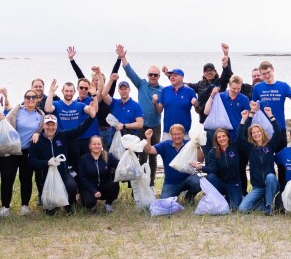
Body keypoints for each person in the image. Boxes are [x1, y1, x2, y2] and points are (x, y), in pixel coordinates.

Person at [28, 110, 96, 215]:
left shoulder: (63, 135)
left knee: (72, 186)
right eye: (48, 125)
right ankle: (52, 206)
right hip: (45, 177)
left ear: (56, 125)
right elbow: (32, 162)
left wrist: (91, 117)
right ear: (43, 126)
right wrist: (47, 163)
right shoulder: (37, 140)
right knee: (50, 213)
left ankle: (68, 205)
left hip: (63, 173)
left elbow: (80, 130)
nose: (50, 128)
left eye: (53, 125)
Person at [117, 44, 164, 186]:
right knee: (142, 156)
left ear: (159, 76)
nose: (153, 77)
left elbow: (159, 111)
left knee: (153, 156)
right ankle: (140, 183)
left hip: (155, 127)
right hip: (142, 127)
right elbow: (130, 73)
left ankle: (150, 183)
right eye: (151, 74)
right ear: (148, 75)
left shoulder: (163, 90)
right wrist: (123, 57)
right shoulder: (142, 85)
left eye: (156, 75)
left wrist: (156, 102)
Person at [0, 88, 45, 216]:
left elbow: (41, 130)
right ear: (24, 99)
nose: (30, 99)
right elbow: (6, 122)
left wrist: (37, 133)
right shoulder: (17, 110)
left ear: (37, 100)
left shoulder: (40, 115)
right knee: (7, 178)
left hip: (28, 151)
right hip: (12, 150)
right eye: (27, 97)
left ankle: (25, 206)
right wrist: (2, 118)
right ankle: (5, 207)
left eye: (33, 97)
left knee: (26, 178)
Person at [203, 77, 251, 193]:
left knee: (240, 166)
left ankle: (242, 192)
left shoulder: (244, 99)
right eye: (234, 88)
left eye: (238, 88)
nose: (236, 91)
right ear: (229, 85)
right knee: (221, 166)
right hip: (222, 138)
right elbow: (206, 112)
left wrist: (249, 114)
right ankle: (220, 192)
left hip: (238, 137)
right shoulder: (221, 96)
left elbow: (249, 118)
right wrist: (212, 95)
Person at [235, 103, 284, 214]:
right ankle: (264, 204)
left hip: (270, 185)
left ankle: (269, 205)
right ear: (251, 135)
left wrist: (270, 115)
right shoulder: (249, 148)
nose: (256, 134)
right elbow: (239, 137)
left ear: (262, 133)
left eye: (258, 132)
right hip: (258, 187)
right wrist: (246, 118)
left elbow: (278, 132)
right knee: (242, 209)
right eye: (253, 133)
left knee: (271, 176)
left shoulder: (270, 146)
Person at [67, 47, 121, 145]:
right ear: (92, 81)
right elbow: (80, 76)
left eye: (101, 79)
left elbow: (114, 73)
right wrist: (72, 60)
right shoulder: (88, 93)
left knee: (104, 155)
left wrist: (119, 58)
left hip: (106, 130)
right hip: (91, 130)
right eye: (96, 79)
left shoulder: (107, 93)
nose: (99, 81)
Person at [142, 124, 202, 203]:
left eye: (179, 134)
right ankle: (174, 195)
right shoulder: (165, 145)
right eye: (174, 134)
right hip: (171, 183)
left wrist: (198, 147)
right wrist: (148, 138)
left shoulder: (190, 144)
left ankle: (189, 197)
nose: (177, 136)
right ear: (171, 135)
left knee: (198, 181)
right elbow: (148, 150)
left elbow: (200, 160)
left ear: (184, 134)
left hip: (188, 179)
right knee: (165, 202)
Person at [250, 60, 291, 148]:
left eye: (268, 72)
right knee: (265, 159)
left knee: (281, 159)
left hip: (280, 127)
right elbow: (254, 107)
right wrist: (254, 106)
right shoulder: (257, 87)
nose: (266, 76)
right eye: (263, 74)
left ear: (273, 70)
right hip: (263, 129)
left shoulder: (283, 86)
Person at [191, 128, 243, 209]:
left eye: (224, 136)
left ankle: (227, 198)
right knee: (210, 176)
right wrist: (201, 167)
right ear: (216, 140)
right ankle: (215, 198)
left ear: (228, 137)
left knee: (234, 207)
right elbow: (213, 170)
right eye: (219, 137)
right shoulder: (213, 152)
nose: (222, 139)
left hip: (233, 184)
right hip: (221, 183)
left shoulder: (235, 147)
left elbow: (240, 135)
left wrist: (243, 120)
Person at [75, 136, 121, 212]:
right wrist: (94, 191)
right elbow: (82, 177)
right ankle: (92, 204)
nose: (96, 146)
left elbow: (120, 165)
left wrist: (128, 156)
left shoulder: (108, 156)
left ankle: (108, 204)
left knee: (115, 184)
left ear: (102, 145)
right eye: (94, 144)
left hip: (104, 187)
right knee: (88, 202)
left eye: (99, 144)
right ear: (90, 146)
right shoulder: (84, 159)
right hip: (89, 188)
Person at [153, 68, 197, 140]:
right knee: (165, 151)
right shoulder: (165, 90)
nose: (172, 77)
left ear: (182, 78)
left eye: (175, 75)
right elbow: (159, 110)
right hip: (168, 132)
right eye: (171, 75)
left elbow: (198, 110)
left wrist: (196, 104)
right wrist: (154, 103)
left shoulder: (190, 91)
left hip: (184, 132)